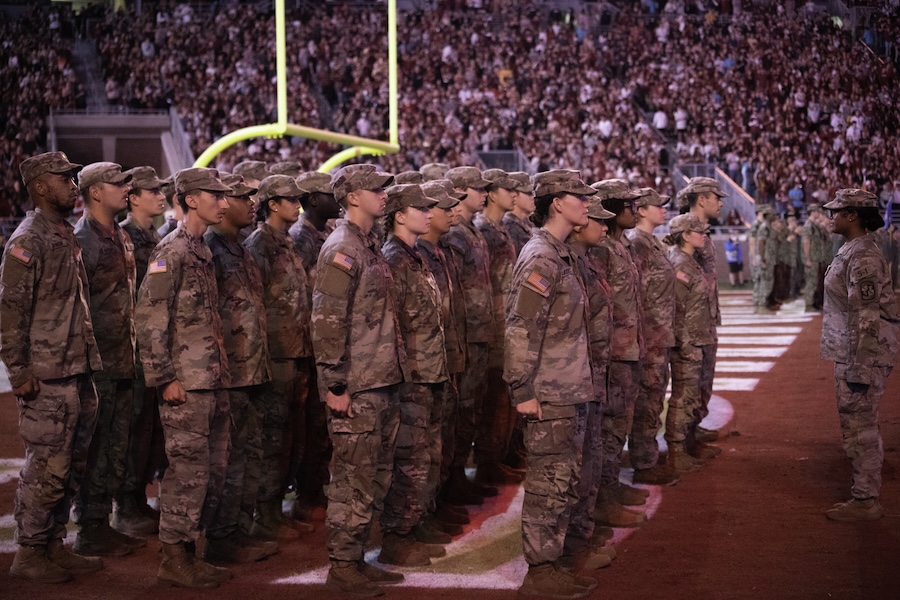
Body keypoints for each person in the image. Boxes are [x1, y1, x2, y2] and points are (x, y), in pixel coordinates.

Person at [2, 152, 103, 583]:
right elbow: (11, 311)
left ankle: (53, 544)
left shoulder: (63, 232)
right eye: (65, 179)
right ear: (41, 187)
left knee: (72, 465)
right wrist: (19, 371)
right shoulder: (28, 239)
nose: (73, 185)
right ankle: (29, 552)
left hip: (76, 367)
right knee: (47, 467)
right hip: (47, 375)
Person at [135, 167, 233, 588]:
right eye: (216, 195)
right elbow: (150, 318)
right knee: (187, 473)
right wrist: (164, 378)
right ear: (192, 199)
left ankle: (189, 552)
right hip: (186, 384)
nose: (224, 203)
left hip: (210, 378)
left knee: (211, 472)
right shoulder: (171, 251)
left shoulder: (201, 249)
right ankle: (174, 557)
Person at [312, 164, 407, 596]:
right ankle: (342, 564)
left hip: (380, 378)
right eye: (376, 189)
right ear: (352, 197)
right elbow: (327, 320)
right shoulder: (342, 248)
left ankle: (357, 558)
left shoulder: (368, 245)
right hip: (357, 384)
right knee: (353, 479)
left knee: (374, 477)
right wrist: (335, 385)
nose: (384, 194)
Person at [505, 169, 598, 600]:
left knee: (563, 480)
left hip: (567, 386)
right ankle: (540, 572)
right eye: (578, 196)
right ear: (557, 203)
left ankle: (552, 561)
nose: (586, 202)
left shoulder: (560, 253)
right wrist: (521, 389)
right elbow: (520, 327)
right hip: (548, 391)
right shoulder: (541, 256)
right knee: (548, 483)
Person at [71, 162, 146, 557]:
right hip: (97, 362)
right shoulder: (81, 240)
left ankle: (103, 521)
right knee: (95, 445)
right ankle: (89, 527)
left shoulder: (120, 235)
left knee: (116, 445)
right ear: (95, 192)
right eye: (117, 184)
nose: (125, 189)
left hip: (123, 358)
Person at [202, 174, 275, 563]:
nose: (252, 202)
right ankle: (221, 539)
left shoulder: (240, 249)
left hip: (252, 370)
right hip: (229, 374)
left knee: (249, 455)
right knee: (226, 461)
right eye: (242, 197)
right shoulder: (209, 249)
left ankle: (239, 532)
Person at [378, 184, 448, 566]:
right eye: (421, 208)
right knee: (408, 458)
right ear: (400, 216)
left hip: (429, 371)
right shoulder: (393, 259)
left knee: (424, 455)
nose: (429, 213)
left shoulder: (414, 256)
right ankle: (397, 537)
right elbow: (391, 325)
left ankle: (415, 524)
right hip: (411, 376)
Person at [821, 189, 899, 521]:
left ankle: (866, 499)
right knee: (859, 422)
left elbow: (866, 316)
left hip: (862, 354)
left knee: (859, 425)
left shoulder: (862, 255)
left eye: (836, 211)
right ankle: (866, 490)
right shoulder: (854, 249)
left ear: (852, 216)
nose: (830, 216)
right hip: (853, 350)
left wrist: (860, 367)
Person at [244, 174, 315, 542]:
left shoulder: (285, 241)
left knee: (289, 435)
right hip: (275, 355)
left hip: (295, 350)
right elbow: (253, 303)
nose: (298, 205)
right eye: (291, 199)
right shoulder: (259, 245)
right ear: (272, 204)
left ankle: (275, 509)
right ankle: (265, 513)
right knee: (271, 437)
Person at [561, 191, 618, 573]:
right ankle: (557, 557)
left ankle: (579, 536)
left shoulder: (582, 260)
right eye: (597, 219)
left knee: (587, 460)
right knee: (564, 473)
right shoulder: (552, 259)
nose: (603, 226)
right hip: (567, 380)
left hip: (589, 373)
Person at [590, 179, 647, 527]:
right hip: (612, 353)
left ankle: (610, 487)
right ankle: (603, 498)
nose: (635, 211)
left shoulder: (619, 245)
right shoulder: (602, 249)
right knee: (608, 428)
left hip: (628, 348)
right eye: (629, 206)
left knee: (619, 424)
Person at [288, 170, 341, 523]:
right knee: (306, 427)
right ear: (312, 200)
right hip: (305, 344)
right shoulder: (300, 237)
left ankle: (316, 487)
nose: (336, 199)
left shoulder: (323, 234)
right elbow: (299, 295)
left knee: (320, 426)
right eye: (329, 194)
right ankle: (306, 494)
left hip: (319, 344)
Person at [117, 165, 168, 536]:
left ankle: (137, 499)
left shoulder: (154, 237)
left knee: (151, 428)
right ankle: (125, 503)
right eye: (153, 191)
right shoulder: (125, 237)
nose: (161, 196)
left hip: (153, 346)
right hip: (133, 348)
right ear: (133, 198)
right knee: (133, 428)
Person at [442, 166, 497, 504]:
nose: (484, 193)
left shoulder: (470, 230)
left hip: (478, 332)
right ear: (460, 191)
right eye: (478, 188)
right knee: (459, 410)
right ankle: (450, 480)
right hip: (464, 336)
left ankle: (459, 474)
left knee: (471, 408)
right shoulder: (454, 234)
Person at [417, 180, 468, 536]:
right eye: (442, 207)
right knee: (422, 445)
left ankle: (436, 502)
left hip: (445, 357)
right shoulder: (410, 255)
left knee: (443, 436)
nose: (452, 212)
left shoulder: (439, 251)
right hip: (424, 364)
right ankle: (417, 517)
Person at [627, 187, 680, 485]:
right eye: (657, 205)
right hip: (648, 336)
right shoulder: (638, 243)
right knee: (647, 399)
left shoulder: (652, 242)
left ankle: (646, 454)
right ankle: (643, 462)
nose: (663, 209)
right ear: (641, 211)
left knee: (654, 396)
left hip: (659, 334)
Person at [474, 169, 522, 486]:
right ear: (492, 194)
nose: (514, 194)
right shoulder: (485, 231)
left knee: (504, 397)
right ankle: (487, 462)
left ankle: (499, 457)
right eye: (508, 189)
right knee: (492, 399)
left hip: (505, 325)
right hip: (492, 327)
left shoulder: (498, 230)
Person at [663, 214, 717, 474]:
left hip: (696, 338)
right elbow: (675, 308)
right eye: (699, 232)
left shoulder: (690, 261)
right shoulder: (680, 263)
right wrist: (684, 344)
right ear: (685, 235)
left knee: (692, 396)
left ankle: (687, 444)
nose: (704, 235)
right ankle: (676, 452)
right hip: (687, 342)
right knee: (683, 397)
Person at [677, 176, 724, 452]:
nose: (720, 203)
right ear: (702, 199)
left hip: (705, 318)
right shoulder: (687, 231)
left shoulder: (702, 232)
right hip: (692, 322)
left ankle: (694, 426)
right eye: (716, 197)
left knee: (704, 378)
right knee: (691, 382)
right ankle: (685, 437)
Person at [753, 205, 779, 314]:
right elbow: (761, 244)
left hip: (770, 259)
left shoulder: (768, 227)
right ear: (767, 215)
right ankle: (762, 305)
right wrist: (763, 260)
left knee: (769, 282)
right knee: (766, 282)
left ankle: (765, 303)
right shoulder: (764, 227)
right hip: (767, 260)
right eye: (772, 214)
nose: (774, 216)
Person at [504, 171, 536, 256]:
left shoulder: (527, 222)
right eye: (528, 193)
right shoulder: (509, 226)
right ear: (514, 195)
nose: (532, 197)